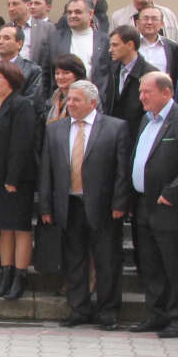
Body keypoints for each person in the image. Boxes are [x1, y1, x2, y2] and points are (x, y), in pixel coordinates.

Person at [40, 80, 131, 328]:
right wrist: (46, 206)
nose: (70, 104)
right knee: (74, 259)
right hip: (69, 204)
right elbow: (47, 170)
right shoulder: (55, 130)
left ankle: (108, 310)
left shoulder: (115, 128)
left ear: (92, 103)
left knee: (107, 259)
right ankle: (78, 308)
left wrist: (120, 203)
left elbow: (122, 170)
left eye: (76, 100)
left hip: (104, 206)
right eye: (68, 99)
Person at [127, 73, 178, 337]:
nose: (142, 97)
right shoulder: (145, 120)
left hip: (170, 206)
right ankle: (157, 314)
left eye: (147, 92)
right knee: (150, 264)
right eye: (140, 92)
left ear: (166, 93)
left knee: (175, 265)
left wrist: (173, 192)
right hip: (143, 204)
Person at [0, 62, 38, 300]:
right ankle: (5, 275)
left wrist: (13, 177)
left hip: (16, 179)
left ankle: (20, 276)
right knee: (4, 227)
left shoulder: (21, 105)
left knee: (19, 228)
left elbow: (21, 144)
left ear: (11, 81)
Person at [102, 25, 156, 140]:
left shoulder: (150, 74)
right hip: (112, 136)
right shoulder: (110, 69)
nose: (110, 50)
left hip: (137, 137)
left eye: (115, 45)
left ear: (130, 45)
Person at [51, 0, 108, 88]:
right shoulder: (54, 39)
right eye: (69, 12)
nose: (72, 15)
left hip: (95, 95)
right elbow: (46, 74)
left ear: (91, 14)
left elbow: (108, 75)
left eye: (78, 12)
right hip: (63, 94)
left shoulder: (105, 40)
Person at [0, 25, 42, 108]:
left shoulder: (33, 70)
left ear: (19, 43)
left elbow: (31, 102)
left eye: (6, 38)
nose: (0, 42)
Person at [45, 55, 86, 124]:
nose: (60, 77)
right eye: (57, 73)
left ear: (77, 74)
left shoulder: (86, 95)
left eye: (66, 73)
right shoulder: (54, 97)